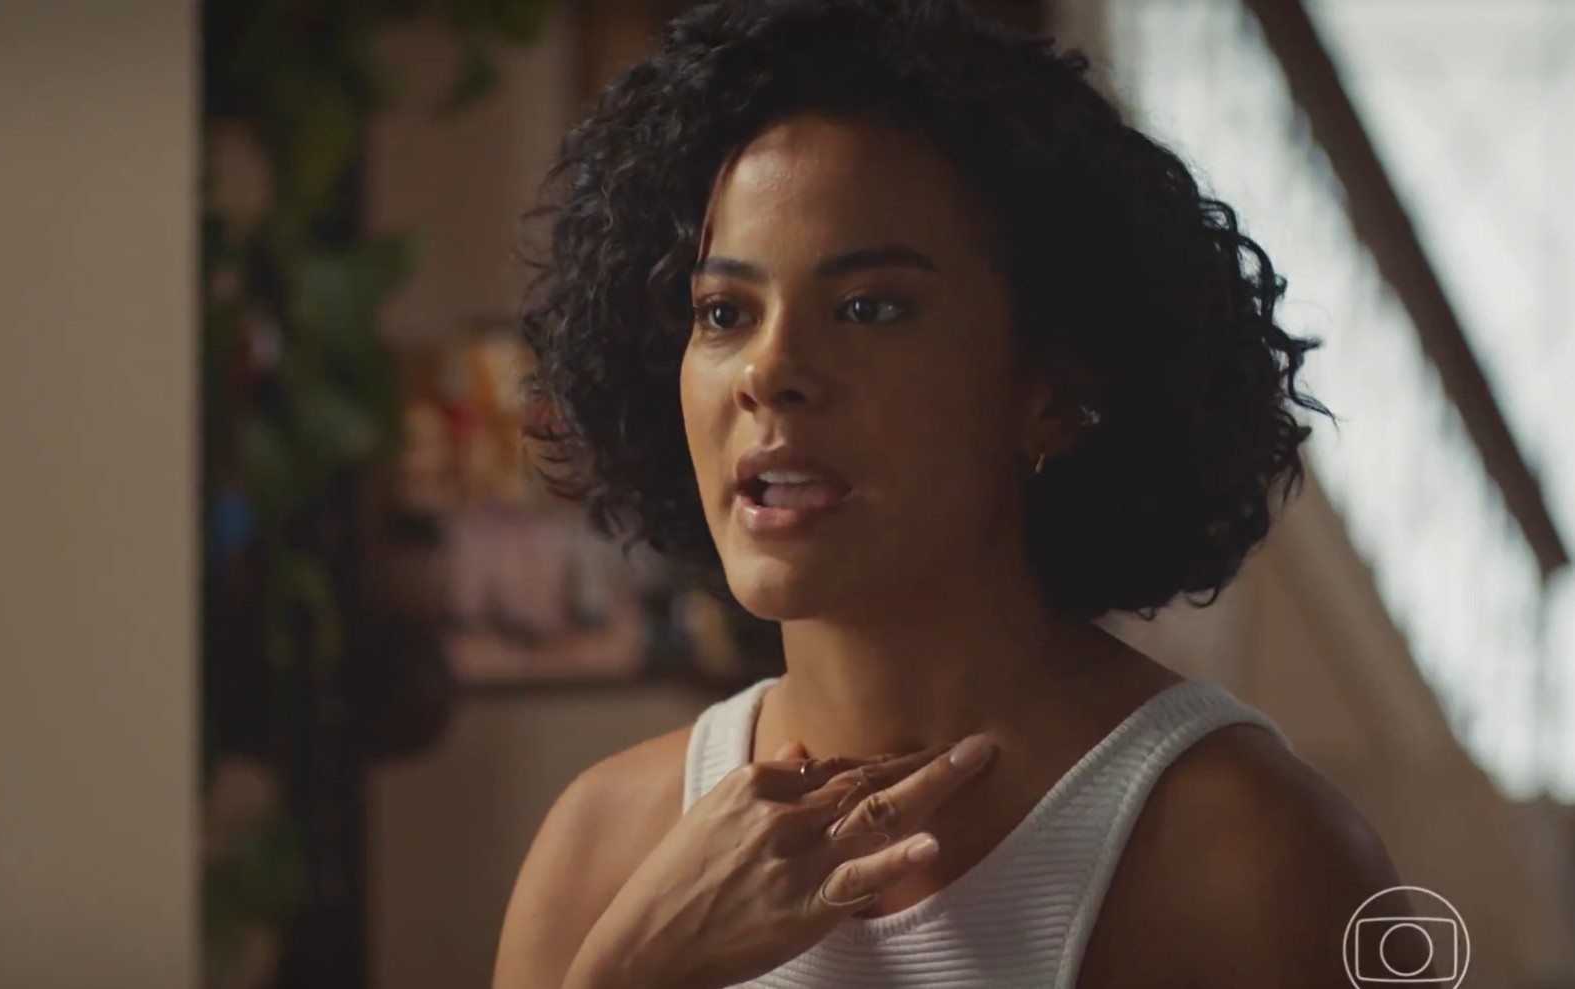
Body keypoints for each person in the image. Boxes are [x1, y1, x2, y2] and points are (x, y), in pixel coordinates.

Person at [496, 1, 1422, 986]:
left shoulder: (1256, 860)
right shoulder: (604, 842)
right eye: (725, 311)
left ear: (1052, 390)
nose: (768, 371)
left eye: (869, 307)